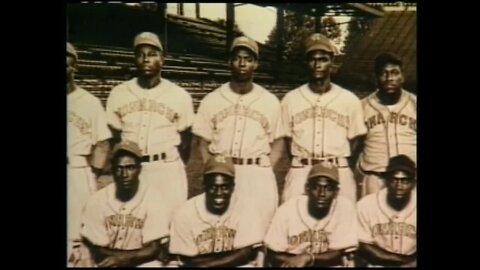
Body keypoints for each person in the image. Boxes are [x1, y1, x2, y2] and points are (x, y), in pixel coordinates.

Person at [192, 36, 284, 236]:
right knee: (223, 230)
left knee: (260, 230)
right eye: (237, 58)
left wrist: (267, 166)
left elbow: (278, 140)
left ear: (256, 64)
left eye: (248, 59)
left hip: (256, 172)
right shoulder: (212, 100)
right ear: (229, 62)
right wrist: (212, 170)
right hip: (222, 173)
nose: (242, 63)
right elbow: (203, 141)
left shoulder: (270, 101)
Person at [105, 32, 195, 221]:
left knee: (170, 224)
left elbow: (186, 140)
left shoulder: (179, 95)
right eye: (141, 54)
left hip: (166, 169)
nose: (146, 59)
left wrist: (170, 161)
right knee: (133, 224)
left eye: (152, 54)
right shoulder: (119, 93)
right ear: (135, 59)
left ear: (162, 59)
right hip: (132, 170)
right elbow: (114, 136)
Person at [280, 33, 367, 204]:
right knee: (294, 219)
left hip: (338, 167)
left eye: (323, 59)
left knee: (343, 221)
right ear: (306, 62)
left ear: (332, 61)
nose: (317, 64)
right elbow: (287, 139)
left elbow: (358, 138)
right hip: (301, 169)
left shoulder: (349, 99)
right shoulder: (290, 99)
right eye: (313, 59)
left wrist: (343, 162)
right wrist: (300, 160)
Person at [80, 140, 171, 267]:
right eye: (119, 168)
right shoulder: (97, 200)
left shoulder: (154, 198)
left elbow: (153, 249)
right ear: (112, 170)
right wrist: (123, 259)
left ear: (140, 169)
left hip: (140, 262)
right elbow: (97, 249)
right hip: (107, 260)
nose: (124, 174)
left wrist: (123, 259)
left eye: (130, 168)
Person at [169, 156, 264, 267]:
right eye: (213, 186)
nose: (219, 193)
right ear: (204, 185)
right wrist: (234, 256)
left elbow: (247, 253)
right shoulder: (186, 213)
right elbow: (186, 259)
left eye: (224, 187)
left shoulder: (247, 207)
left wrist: (204, 265)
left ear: (233, 187)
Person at [67, 42, 112, 266]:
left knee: (80, 234)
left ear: (75, 66)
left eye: (67, 62)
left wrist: (91, 173)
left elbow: (103, 142)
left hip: (77, 168)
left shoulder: (90, 102)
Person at [264, 163, 357, 267]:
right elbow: (273, 254)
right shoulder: (287, 210)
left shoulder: (345, 207)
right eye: (316, 187)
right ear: (307, 188)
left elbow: (342, 253)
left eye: (328, 188)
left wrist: (308, 258)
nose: (322, 193)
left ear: (336, 192)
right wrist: (298, 260)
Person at [355, 52, 416, 198]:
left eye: (395, 73)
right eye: (384, 73)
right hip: (375, 178)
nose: (390, 79)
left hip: (410, 179)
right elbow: (353, 147)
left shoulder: (414, 104)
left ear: (402, 77)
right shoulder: (362, 107)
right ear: (376, 78)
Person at [356, 155, 417, 267]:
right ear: (386, 181)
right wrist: (406, 262)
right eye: (394, 179)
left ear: (413, 183)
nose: (399, 185)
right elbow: (363, 246)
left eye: (404, 181)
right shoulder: (366, 205)